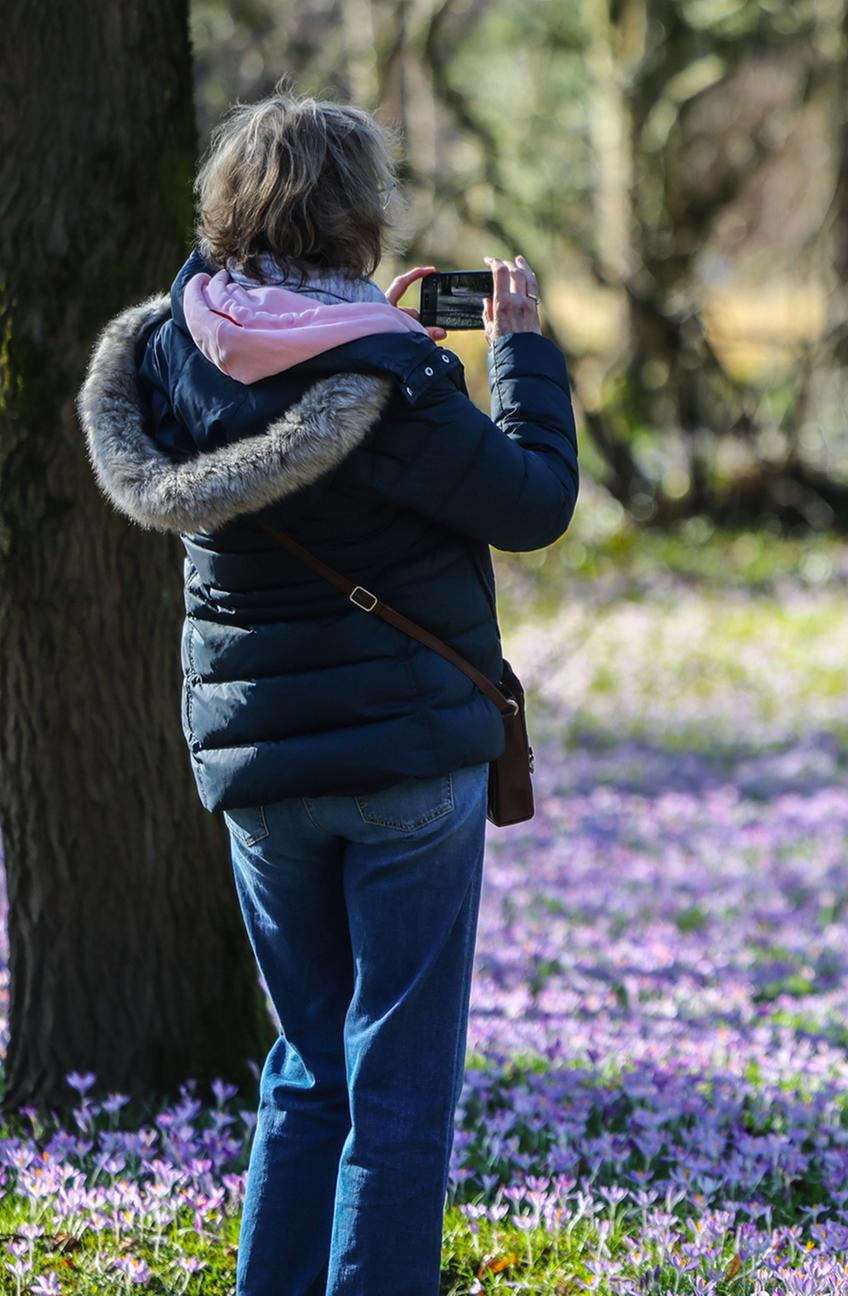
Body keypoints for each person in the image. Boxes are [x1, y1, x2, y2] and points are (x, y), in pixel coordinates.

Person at [77, 86, 578, 1296]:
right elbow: (536, 501)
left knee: (306, 1069)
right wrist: (520, 352)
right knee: (398, 1085)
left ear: (231, 205)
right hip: (407, 768)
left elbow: (270, 357)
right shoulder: (396, 378)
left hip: (261, 776)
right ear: (362, 217)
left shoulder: (162, 355)